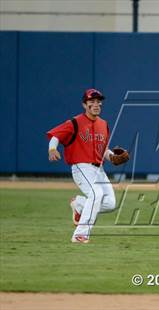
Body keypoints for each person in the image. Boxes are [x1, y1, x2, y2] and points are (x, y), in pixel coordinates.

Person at [47, 89, 129, 243]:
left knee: (110, 203)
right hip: (81, 166)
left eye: (99, 101)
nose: (96, 104)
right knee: (96, 194)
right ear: (84, 104)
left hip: (99, 169)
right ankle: (81, 234)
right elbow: (55, 135)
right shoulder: (75, 122)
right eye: (92, 101)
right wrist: (52, 148)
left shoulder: (104, 125)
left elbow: (102, 149)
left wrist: (112, 157)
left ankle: (79, 205)